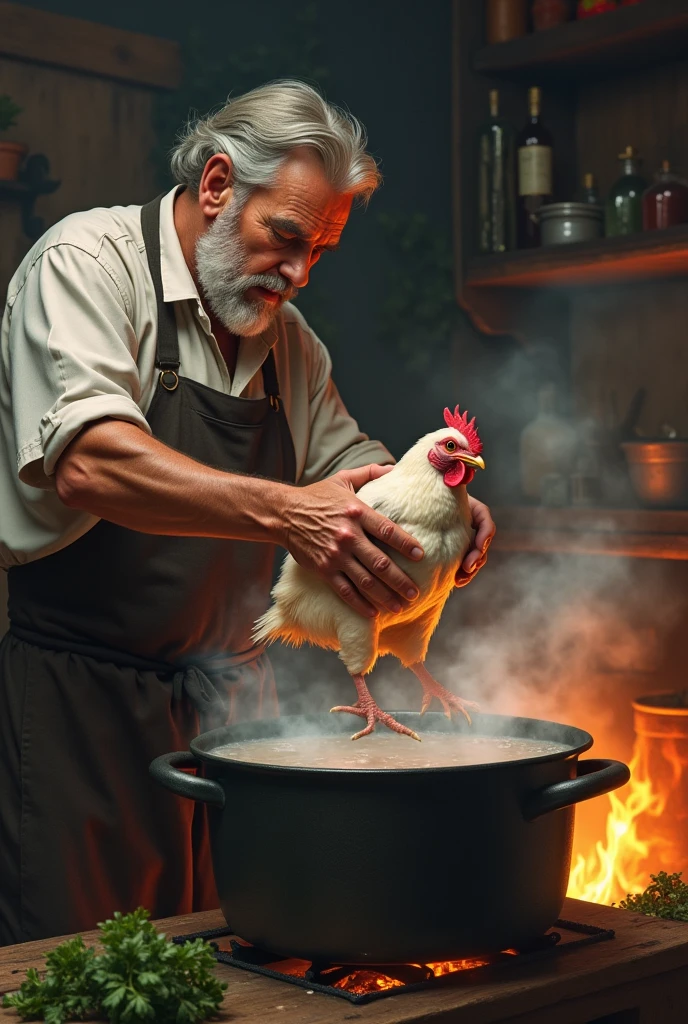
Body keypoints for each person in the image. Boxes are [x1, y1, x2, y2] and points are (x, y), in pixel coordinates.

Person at [0, 80, 494, 944]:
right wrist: (286, 513)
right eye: (288, 237)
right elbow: (87, 460)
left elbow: (348, 463)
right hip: (82, 709)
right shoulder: (86, 265)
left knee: (243, 967)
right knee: (74, 976)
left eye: (321, 253)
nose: (298, 274)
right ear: (220, 183)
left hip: (239, 718)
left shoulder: (289, 342)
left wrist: (441, 503)